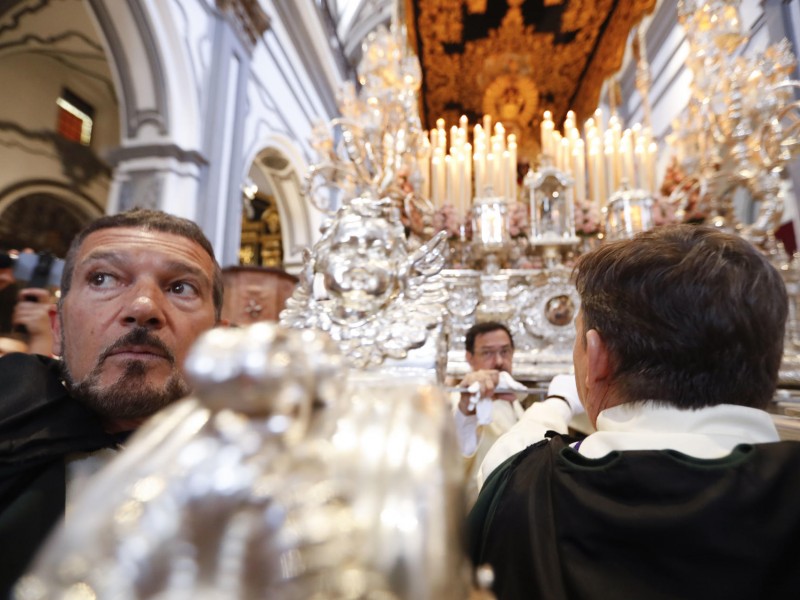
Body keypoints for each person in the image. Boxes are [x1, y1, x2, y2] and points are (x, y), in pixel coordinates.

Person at [467, 224, 800, 599]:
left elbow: (506, 459)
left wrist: (557, 403)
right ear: (772, 361)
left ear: (597, 358)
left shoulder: (524, 485)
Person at [0, 208, 223, 596]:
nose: (143, 307)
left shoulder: (258, 477)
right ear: (57, 328)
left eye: (181, 287)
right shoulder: (10, 424)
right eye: (103, 279)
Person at [453, 321, 578, 504]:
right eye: (487, 353)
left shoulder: (515, 399)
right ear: (470, 358)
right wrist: (466, 409)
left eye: (505, 351)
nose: (499, 362)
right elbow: (454, 455)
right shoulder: (461, 400)